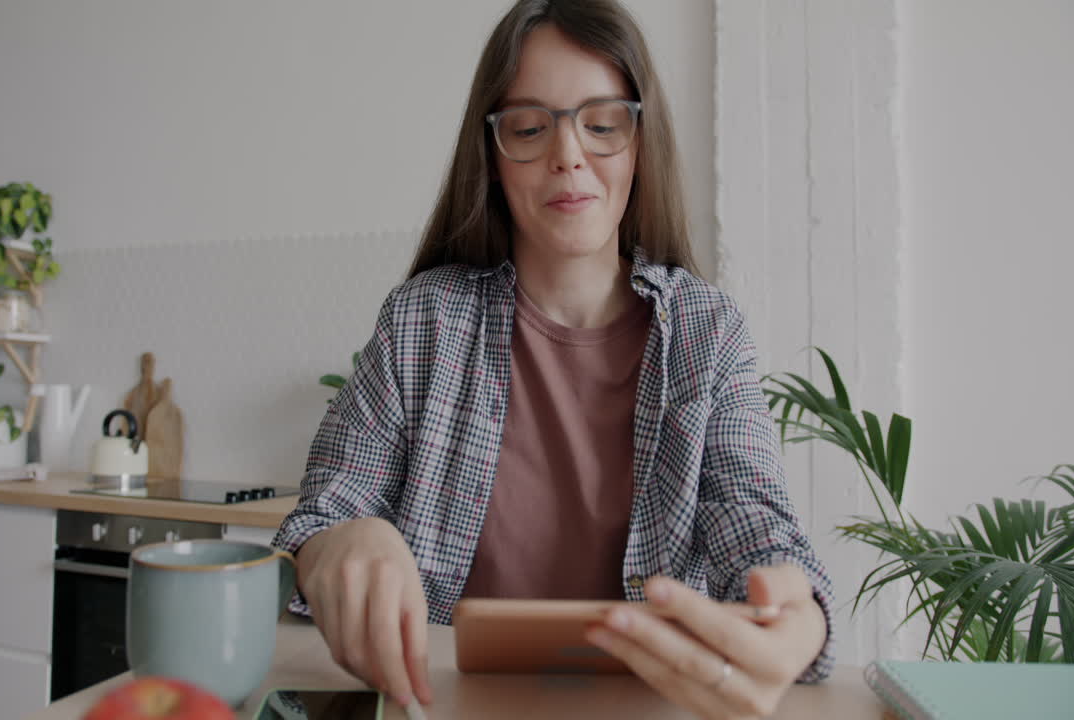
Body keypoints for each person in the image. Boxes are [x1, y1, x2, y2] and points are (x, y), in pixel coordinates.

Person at [272, 1, 834, 717]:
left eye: (601, 124)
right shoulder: (424, 321)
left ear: (641, 142)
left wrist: (798, 614)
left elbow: (755, 527)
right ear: (494, 156)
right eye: (531, 128)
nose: (568, 153)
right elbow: (325, 514)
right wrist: (339, 545)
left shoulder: (706, 331)